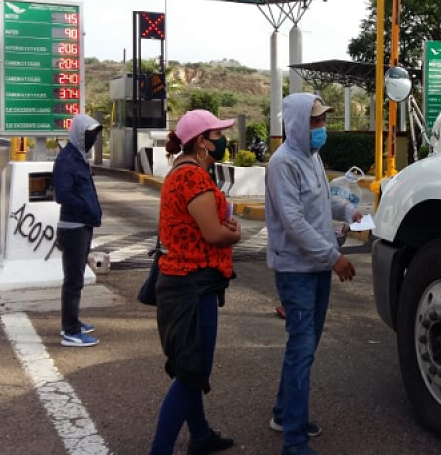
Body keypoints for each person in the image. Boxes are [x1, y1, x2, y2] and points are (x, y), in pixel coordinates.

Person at [265, 94, 363, 455]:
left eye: (323, 121)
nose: (322, 128)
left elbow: (321, 201)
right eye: (315, 121)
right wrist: (333, 257)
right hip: (296, 270)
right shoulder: (283, 164)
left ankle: (283, 412)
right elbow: (293, 222)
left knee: (303, 349)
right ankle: (294, 439)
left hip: (317, 267)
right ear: (295, 123)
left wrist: (347, 210)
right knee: (302, 348)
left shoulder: (312, 157)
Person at [149, 109, 242, 455]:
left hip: (185, 282)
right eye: (217, 135)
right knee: (192, 372)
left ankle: (200, 436)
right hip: (191, 286)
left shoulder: (185, 173)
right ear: (202, 142)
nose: (222, 140)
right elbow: (214, 234)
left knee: (190, 366)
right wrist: (235, 234)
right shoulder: (193, 178)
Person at [53, 114, 103, 347]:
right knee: (73, 280)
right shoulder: (66, 160)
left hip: (83, 225)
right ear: (79, 134)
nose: (92, 139)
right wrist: (85, 209)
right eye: (89, 135)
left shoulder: (79, 158)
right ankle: (70, 331)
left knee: (77, 279)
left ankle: (72, 321)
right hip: (73, 227)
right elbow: (62, 194)